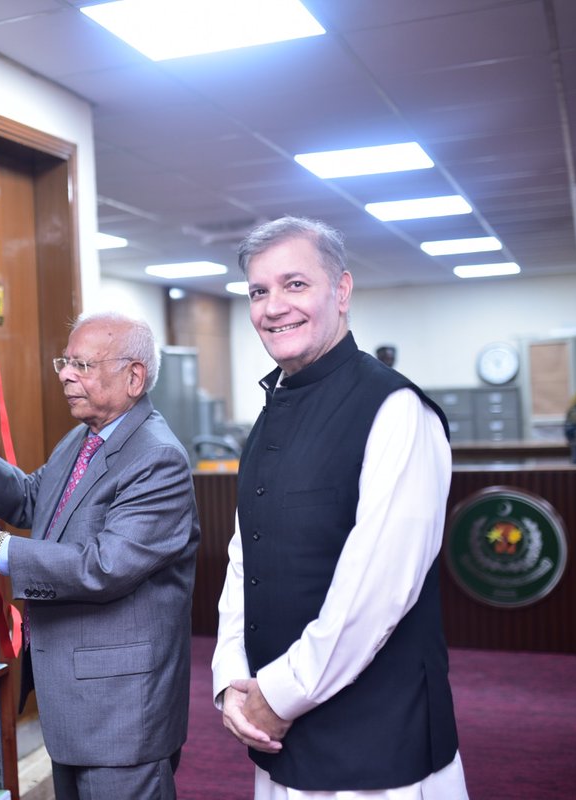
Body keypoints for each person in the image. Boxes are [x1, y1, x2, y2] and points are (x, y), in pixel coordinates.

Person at [212, 216, 467, 798]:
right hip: (275, 727)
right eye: (258, 291)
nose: (274, 306)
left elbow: (378, 591)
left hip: (376, 743)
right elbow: (243, 559)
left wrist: (277, 694)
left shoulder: (397, 410)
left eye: (294, 284)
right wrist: (231, 677)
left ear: (342, 291)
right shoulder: (271, 409)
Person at [0, 311, 201, 799]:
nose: (64, 374)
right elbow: (38, 499)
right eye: (65, 361)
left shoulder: (157, 458)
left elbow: (105, 566)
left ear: (134, 377)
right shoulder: (84, 437)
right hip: (76, 696)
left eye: (82, 364)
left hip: (121, 707)